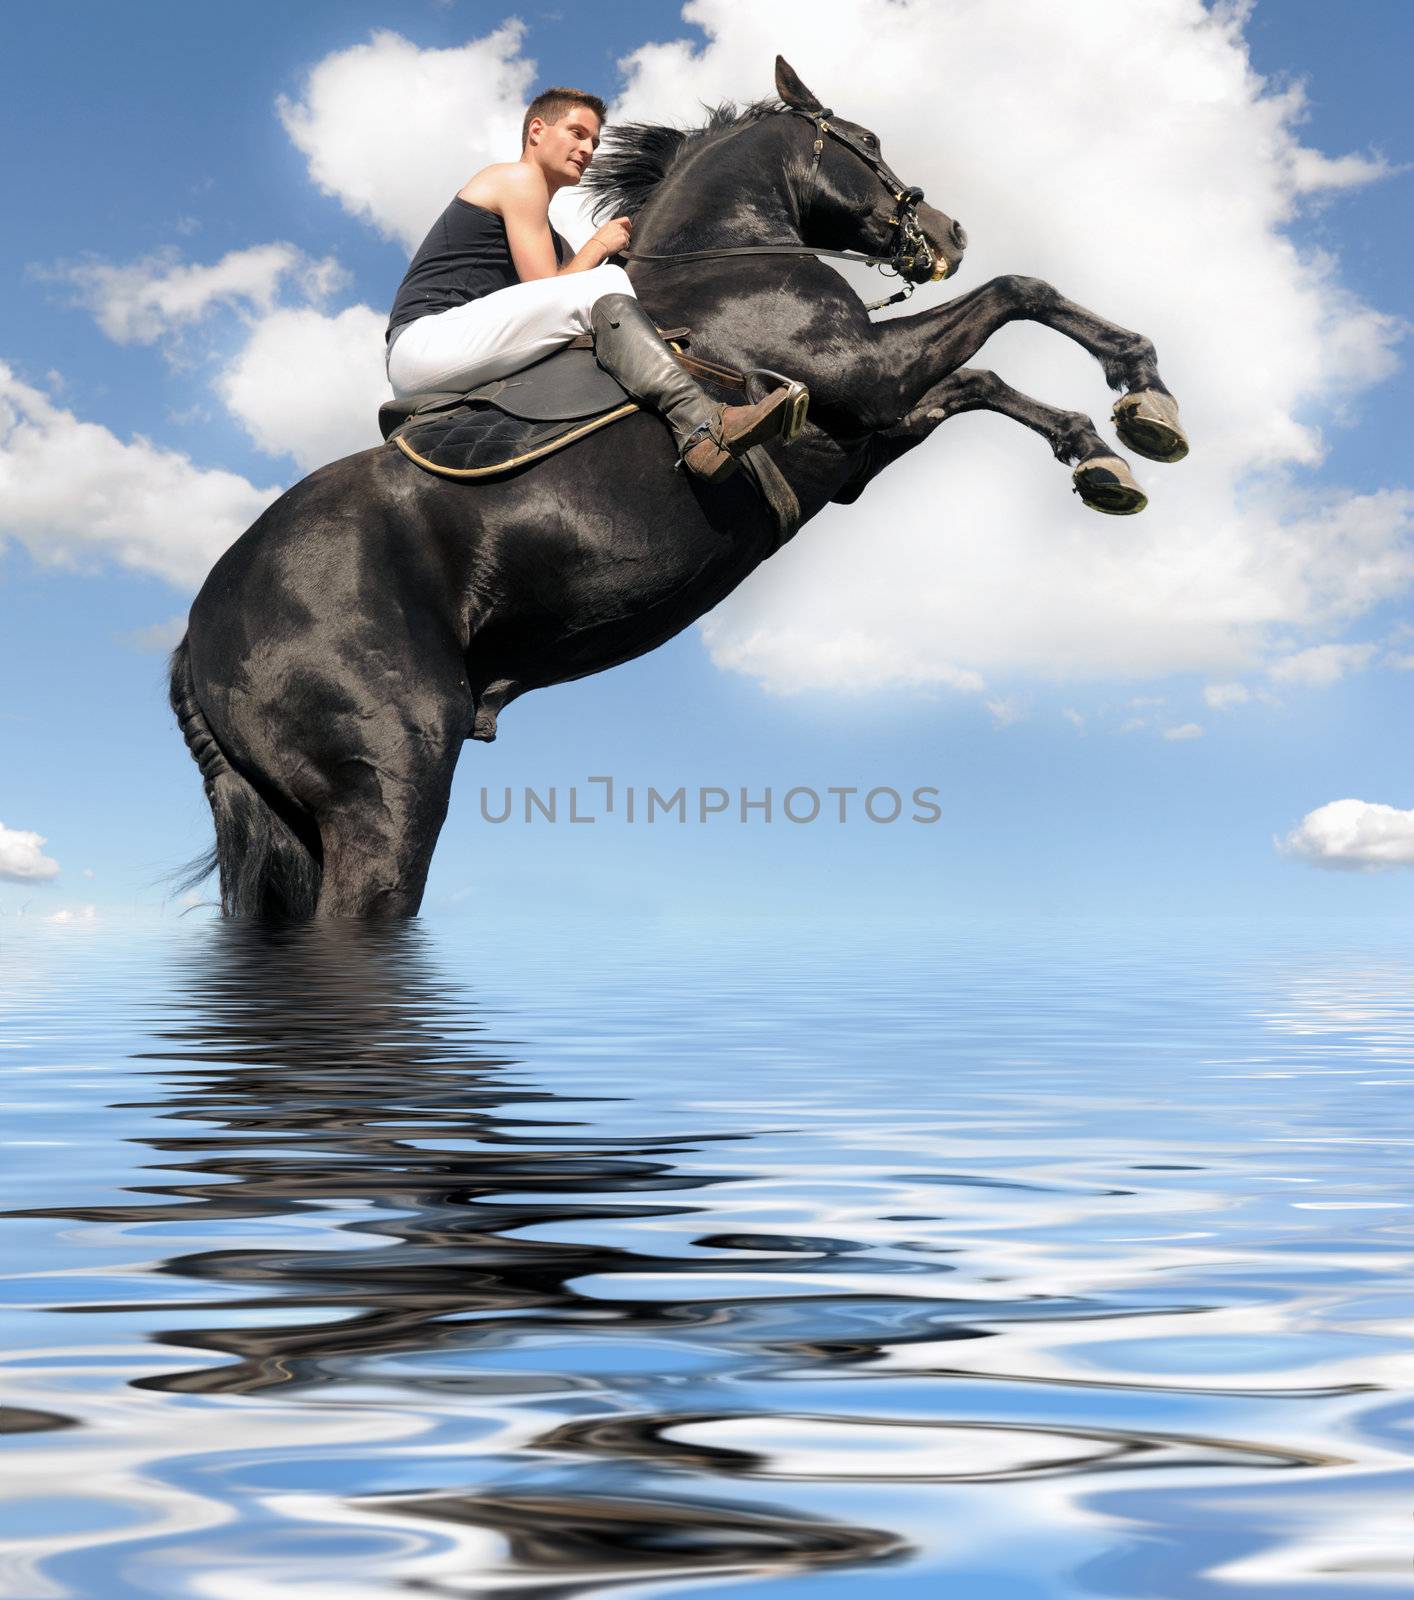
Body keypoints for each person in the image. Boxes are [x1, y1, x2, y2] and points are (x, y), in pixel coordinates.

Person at [384, 87, 803, 483]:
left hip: (455, 351)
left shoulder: (553, 238)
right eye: (577, 133)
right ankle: (700, 426)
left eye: (595, 143)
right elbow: (547, 285)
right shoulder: (515, 179)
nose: (587, 150)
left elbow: (561, 295)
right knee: (602, 283)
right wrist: (598, 246)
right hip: (425, 344)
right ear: (536, 131)